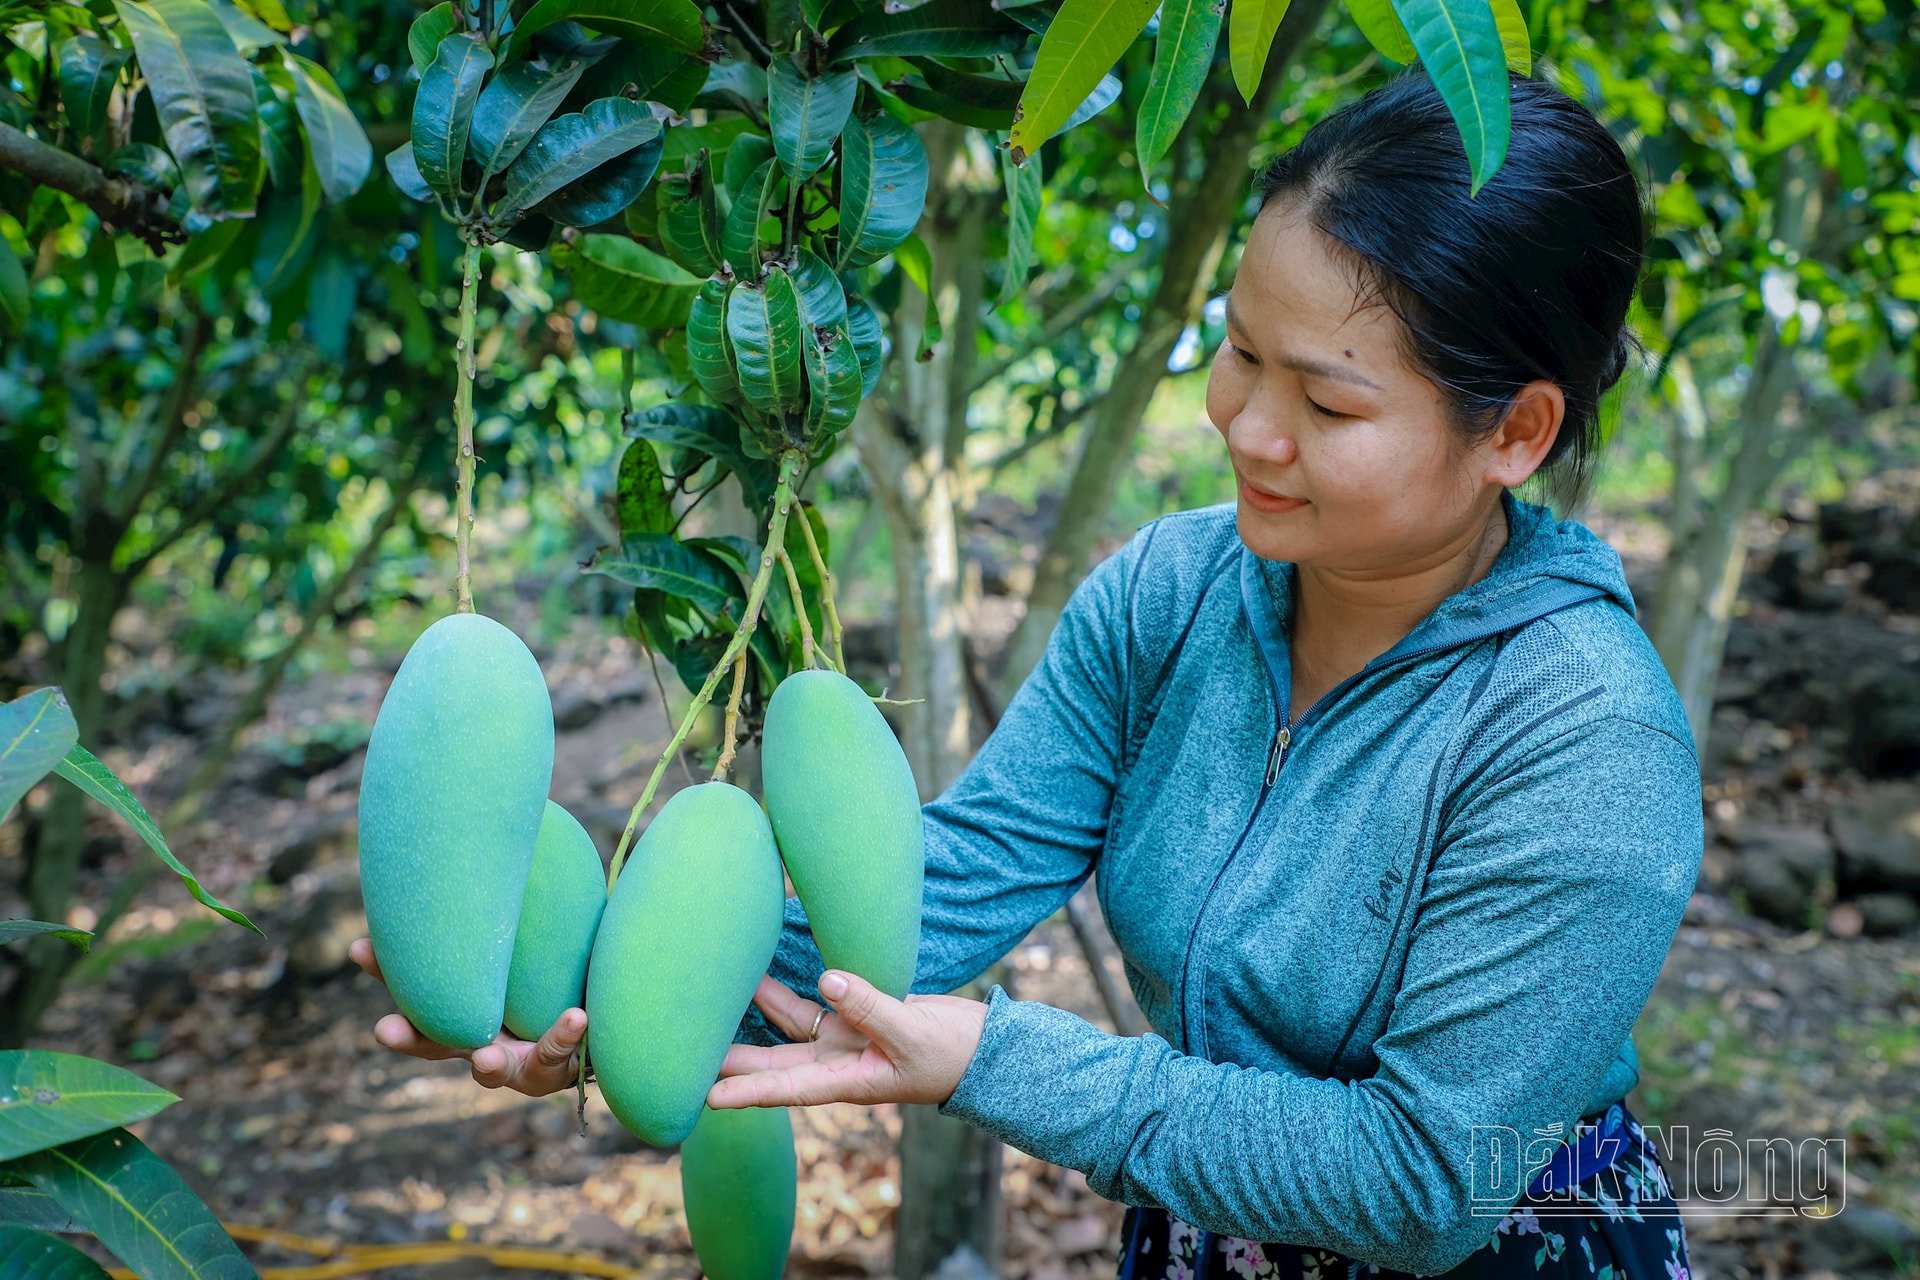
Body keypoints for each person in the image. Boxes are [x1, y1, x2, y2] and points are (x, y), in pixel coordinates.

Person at [352, 65, 1703, 1280]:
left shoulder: (1584, 737)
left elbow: (1425, 1182)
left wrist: (997, 1061)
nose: (1242, 423)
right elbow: (947, 887)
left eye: (1328, 402)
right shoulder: (1174, 597)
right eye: (1237, 350)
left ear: (1516, 431)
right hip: (1205, 1237)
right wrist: (615, 986)